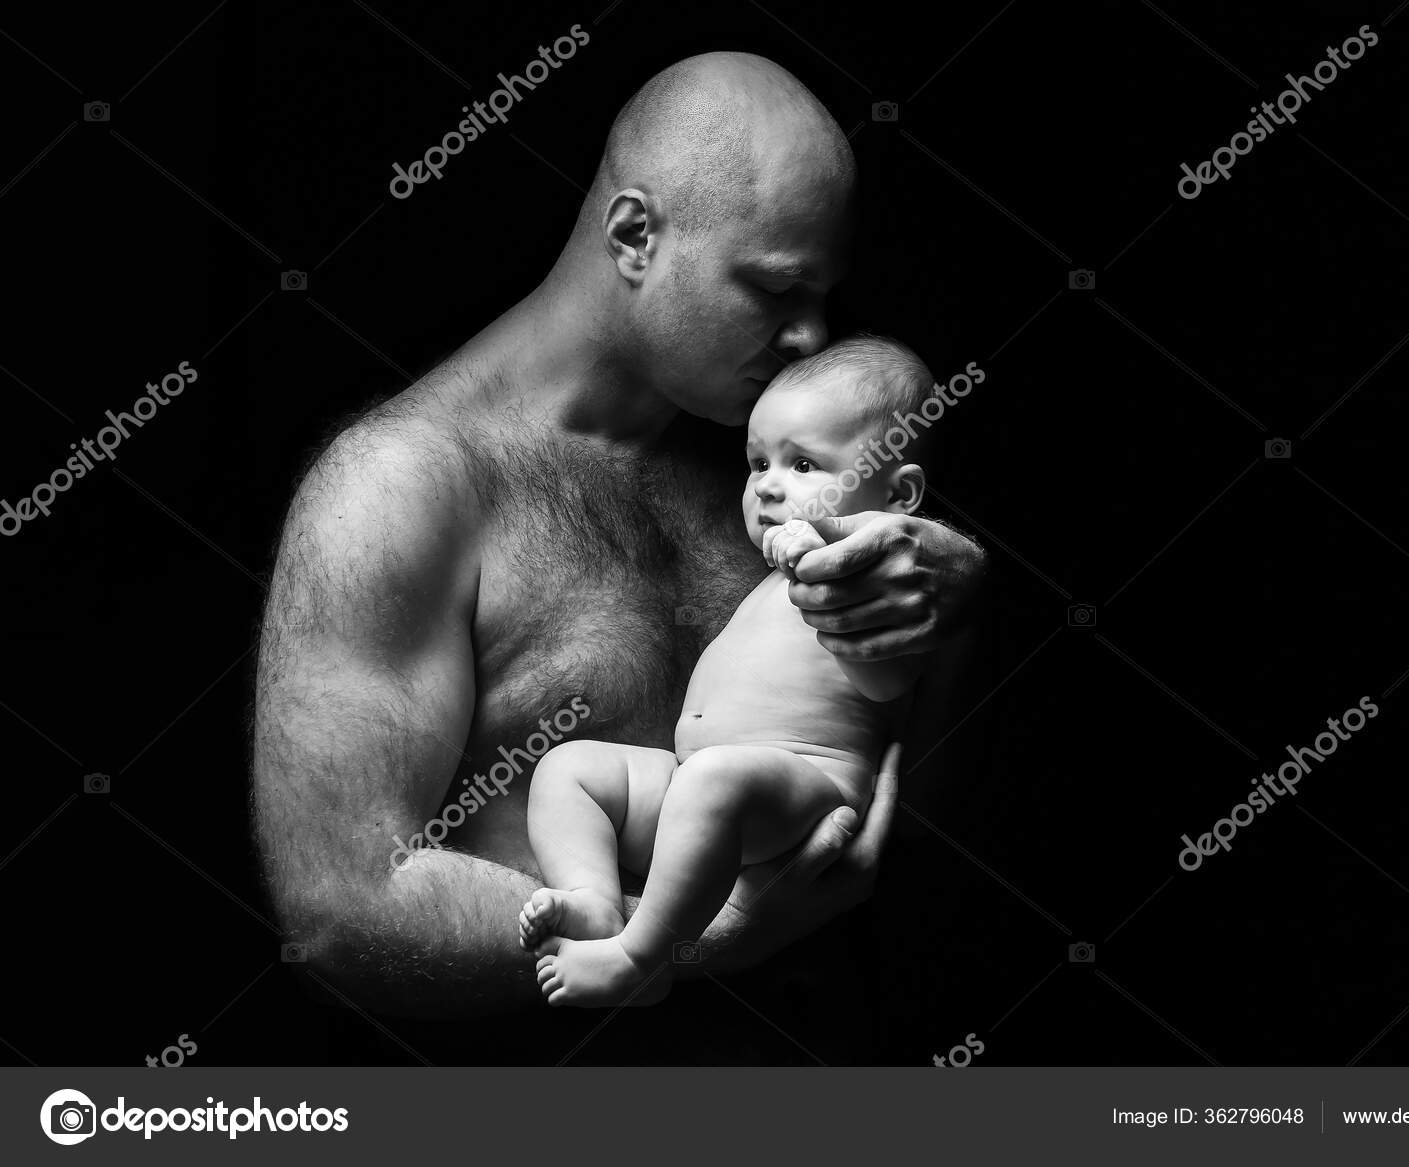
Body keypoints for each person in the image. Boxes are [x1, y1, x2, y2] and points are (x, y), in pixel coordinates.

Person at [250, 50, 986, 1029]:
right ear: (635, 236)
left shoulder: (786, 455)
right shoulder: (401, 486)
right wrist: (688, 942)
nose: (813, 336)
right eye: (774, 291)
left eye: (821, 296)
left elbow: (921, 803)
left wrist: (963, 604)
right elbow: (340, 908)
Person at [520, 336, 936, 1006]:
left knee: (714, 779)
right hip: (702, 790)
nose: (768, 483)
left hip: (803, 792)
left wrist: (827, 573)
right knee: (569, 769)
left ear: (898, 494)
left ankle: (640, 959)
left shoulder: (880, 588)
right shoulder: (769, 580)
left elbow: (890, 684)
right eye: (758, 462)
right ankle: (593, 900)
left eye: (803, 463)